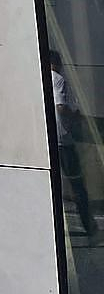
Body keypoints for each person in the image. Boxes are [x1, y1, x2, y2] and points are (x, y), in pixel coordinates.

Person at [52, 51, 97, 242]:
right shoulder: (58, 79)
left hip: (49, 139)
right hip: (63, 139)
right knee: (77, 184)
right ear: (55, 63)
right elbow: (60, 106)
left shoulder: (37, 78)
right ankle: (89, 226)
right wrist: (75, 116)